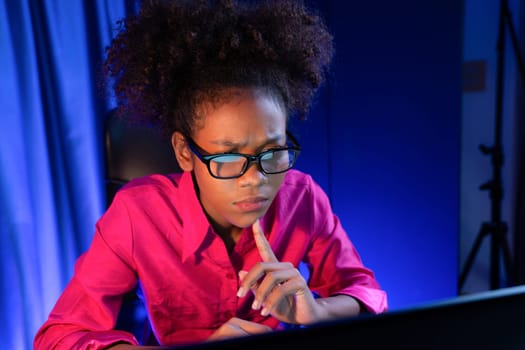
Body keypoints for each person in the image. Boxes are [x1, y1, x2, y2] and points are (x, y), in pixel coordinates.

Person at [34, 0, 388, 348]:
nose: (256, 179)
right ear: (185, 152)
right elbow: (60, 337)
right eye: (230, 156)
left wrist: (317, 311)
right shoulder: (136, 215)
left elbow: (365, 291)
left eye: (272, 151)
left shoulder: (302, 198)